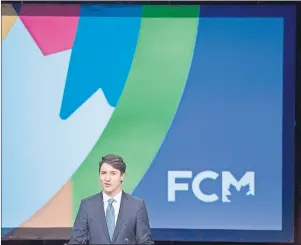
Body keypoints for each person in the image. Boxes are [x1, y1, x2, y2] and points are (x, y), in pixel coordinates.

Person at [69, 154, 153, 244]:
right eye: (103, 173)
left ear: (122, 176)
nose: (107, 179)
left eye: (113, 173)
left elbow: (145, 242)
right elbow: (76, 242)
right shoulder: (87, 205)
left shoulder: (137, 206)